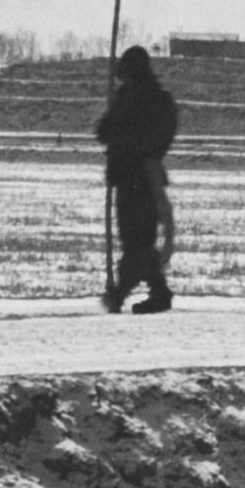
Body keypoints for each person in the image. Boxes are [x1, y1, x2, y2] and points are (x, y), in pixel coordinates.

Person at [95, 45, 180, 311]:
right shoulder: (150, 98)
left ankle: (120, 294)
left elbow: (110, 132)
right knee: (138, 240)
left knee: (136, 241)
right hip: (136, 175)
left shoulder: (137, 98)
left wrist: (122, 138)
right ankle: (159, 292)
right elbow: (106, 131)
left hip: (137, 177)